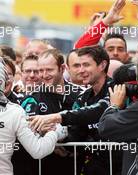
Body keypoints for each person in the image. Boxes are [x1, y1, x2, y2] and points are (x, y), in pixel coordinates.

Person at [28, 46, 122, 175]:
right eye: (77, 66)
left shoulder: (117, 88)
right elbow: (75, 129)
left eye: (86, 65)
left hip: (122, 165)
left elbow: (98, 110)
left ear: (102, 65)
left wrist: (57, 117)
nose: (81, 70)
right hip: (94, 166)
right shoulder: (83, 97)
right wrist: (58, 139)